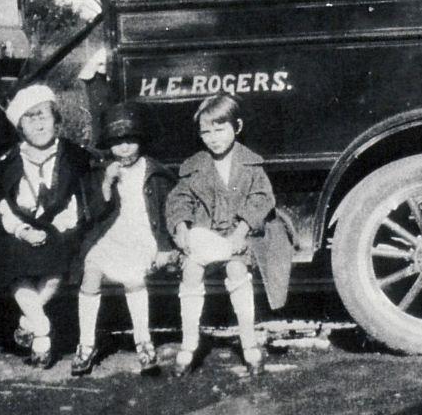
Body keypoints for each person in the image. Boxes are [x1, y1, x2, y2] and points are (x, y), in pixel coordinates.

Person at [0, 84, 97, 369]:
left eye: (43, 115)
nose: (39, 123)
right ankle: (42, 333)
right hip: (19, 229)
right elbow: (4, 205)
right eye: (30, 118)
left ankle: (27, 321)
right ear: (20, 127)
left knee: (56, 268)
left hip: (60, 228)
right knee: (14, 264)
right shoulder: (10, 162)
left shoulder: (74, 156)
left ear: (56, 119)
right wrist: (23, 231)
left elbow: (76, 205)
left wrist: (52, 230)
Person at [165, 93, 275, 377]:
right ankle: (189, 343)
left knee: (237, 270)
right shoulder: (195, 166)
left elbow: (261, 199)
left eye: (220, 129)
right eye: (206, 132)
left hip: (239, 235)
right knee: (190, 271)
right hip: (206, 235)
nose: (213, 138)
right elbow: (179, 199)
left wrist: (241, 230)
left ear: (236, 127)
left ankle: (249, 342)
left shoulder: (251, 165)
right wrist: (181, 226)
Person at [71, 102, 177, 377]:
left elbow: (168, 212)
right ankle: (86, 344)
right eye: (117, 142)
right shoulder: (104, 172)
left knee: (133, 278)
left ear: (140, 141)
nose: (125, 148)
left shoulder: (154, 172)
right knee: (90, 273)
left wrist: (165, 247)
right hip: (112, 234)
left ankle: (143, 341)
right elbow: (94, 214)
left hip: (143, 236)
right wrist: (106, 183)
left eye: (130, 141)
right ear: (109, 145)